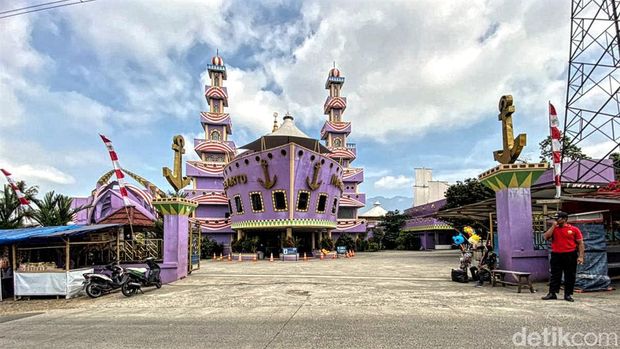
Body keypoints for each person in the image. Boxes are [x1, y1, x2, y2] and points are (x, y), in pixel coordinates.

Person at [541, 211, 585, 302]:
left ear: (564, 219)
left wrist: (581, 256)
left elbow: (580, 243)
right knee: (555, 274)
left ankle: (568, 294)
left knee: (570, 275)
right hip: (556, 254)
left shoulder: (574, 229)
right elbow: (545, 237)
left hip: (570, 254)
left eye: (558, 218)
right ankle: (552, 293)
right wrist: (553, 226)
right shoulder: (554, 229)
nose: (556, 220)